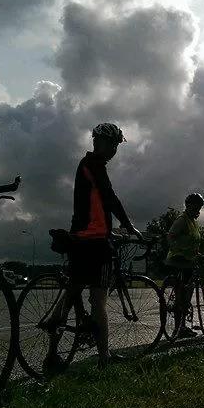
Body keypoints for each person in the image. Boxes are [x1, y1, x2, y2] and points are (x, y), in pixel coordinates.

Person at [46, 122, 142, 373]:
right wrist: (128, 224)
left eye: (114, 145)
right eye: (111, 144)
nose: (112, 149)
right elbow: (109, 197)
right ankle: (104, 357)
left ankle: (52, 352)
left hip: (79, 237)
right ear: (100, 142)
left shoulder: (86, 164)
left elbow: (98, 203)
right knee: (98, 299)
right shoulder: (94, 165)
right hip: (95, 242)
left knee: (71, 292)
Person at [165, 193, 204, 338]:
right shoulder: (182, 220)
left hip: (189, 261)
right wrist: (180, 251)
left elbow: (192, 240)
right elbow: (170, 237)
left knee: (186, 294)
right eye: (196, 206)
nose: (198, 210)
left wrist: (196, 252)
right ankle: (179, 328)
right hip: (178, 261)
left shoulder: (192, 221)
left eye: (199, 207)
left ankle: (182, 326)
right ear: (188, 206)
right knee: (182, 295)